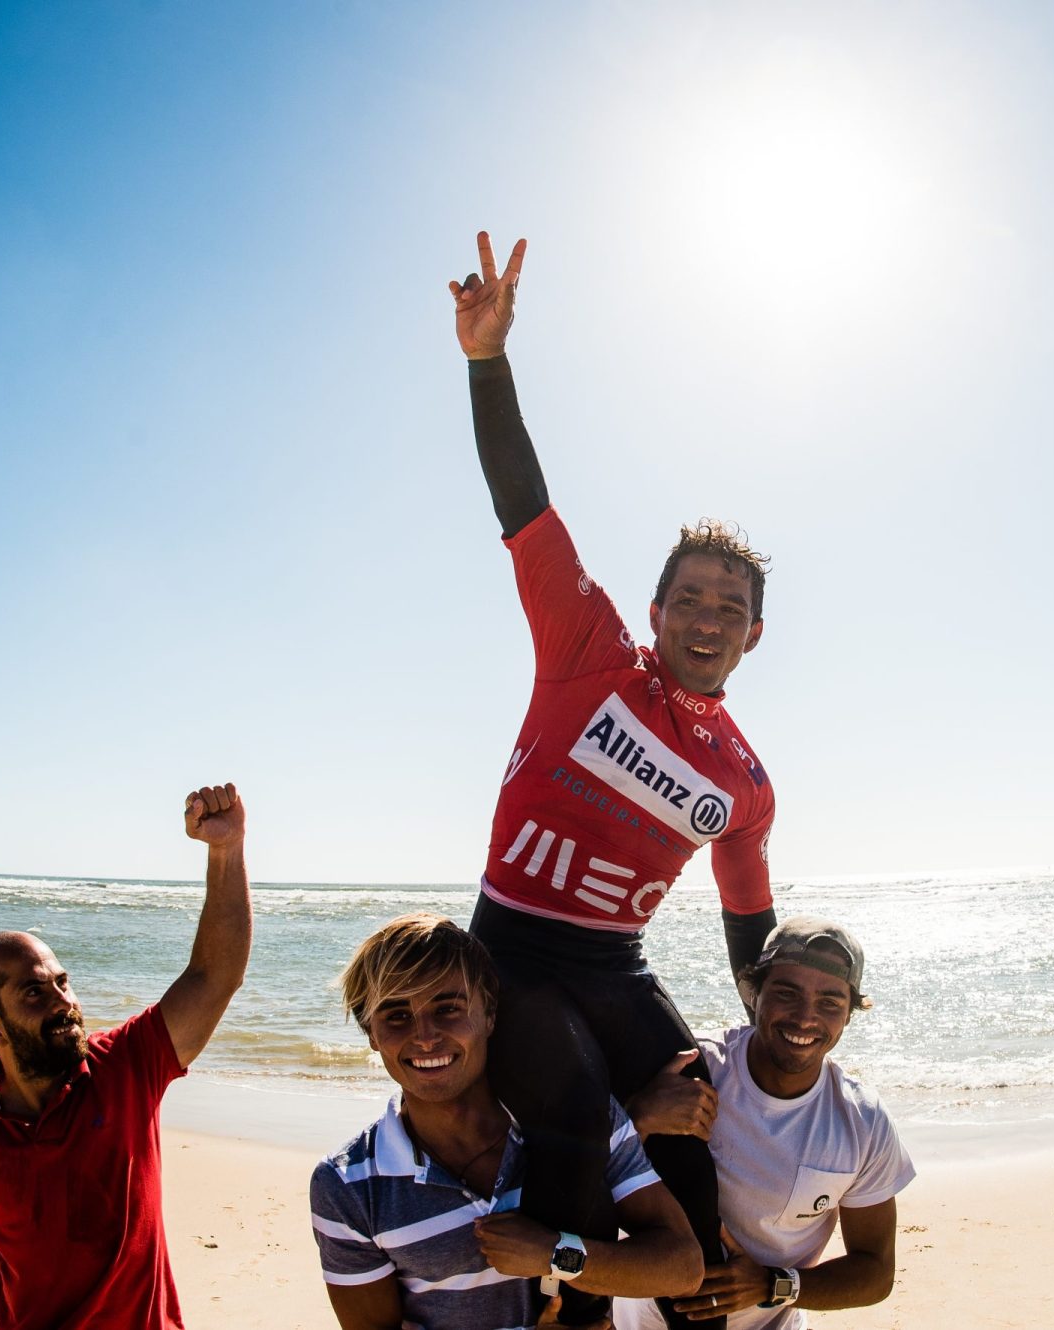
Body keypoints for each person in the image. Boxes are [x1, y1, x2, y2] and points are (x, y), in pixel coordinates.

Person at [450, 231, 778, 1327]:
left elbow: (750, 925)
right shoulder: (587, 649)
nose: (707, 618)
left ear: (753, 637)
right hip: (510, 946)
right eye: (689, 597)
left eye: (729, 607)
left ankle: (698, 1309)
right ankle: (574, 1308)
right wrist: (487, 361)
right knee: (579, 1106)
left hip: (615, 963)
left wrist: (781, 1034)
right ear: (654, 611)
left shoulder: (741, 779)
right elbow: (523, 506)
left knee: (701, 1127)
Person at [0, 783, 252, 1330]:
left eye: (63, 982)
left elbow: (214, 976)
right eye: (35, 993)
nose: (65, 1002)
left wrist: (226, 851)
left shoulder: (128, 1066)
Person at [311, 913, 701, 1330]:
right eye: (397, 1016)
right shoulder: (349, 1185)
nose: (425, 1037)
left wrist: (555, 1254)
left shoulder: (582, 1117)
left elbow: (682, 1266)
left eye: (447, 1008)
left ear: (489, 1014)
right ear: (371, 1033)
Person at [616, 918, 914, 1328]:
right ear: (753, 993)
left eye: (830, 1002)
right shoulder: (688, 1069)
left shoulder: (861, 1121)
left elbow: (875, 1273)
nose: (805, 1018)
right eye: (787, 993)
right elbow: (581, 1177)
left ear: (848, 1015)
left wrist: (772, 1285)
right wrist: (637, 1117)